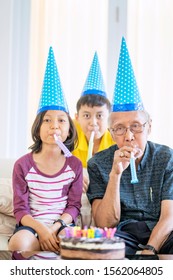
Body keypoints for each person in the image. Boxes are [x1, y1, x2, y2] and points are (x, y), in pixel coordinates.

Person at [87, 37, 173, 255]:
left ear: (149, 127)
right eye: (119, 128)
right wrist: (115, 174)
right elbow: (105, 223)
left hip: (163, 231)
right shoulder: (98, 163)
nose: (129, 136)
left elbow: (169, 215)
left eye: (136, 126)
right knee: (100, 248)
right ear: (111, 133)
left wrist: (150, 249)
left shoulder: (166, 157)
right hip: (124, 232)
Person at [8, 47, 83, 252]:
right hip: (31, 225)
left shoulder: (74, 165)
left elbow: (74, 206)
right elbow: (20, 209)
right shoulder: (23, 165)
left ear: (69, 130)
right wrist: (42, 230)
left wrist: (55, 227)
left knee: (73, 243)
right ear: (38, 128)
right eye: (47, 120)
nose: (54, 126)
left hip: (62, 224)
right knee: (18, 243)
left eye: (61, 120)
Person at [72, 52, 114, 226]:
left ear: (109, 118)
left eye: (99, 116)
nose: (93, 123)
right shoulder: (69, 137)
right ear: (76, 117)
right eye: (87, 116)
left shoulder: (115, 139)